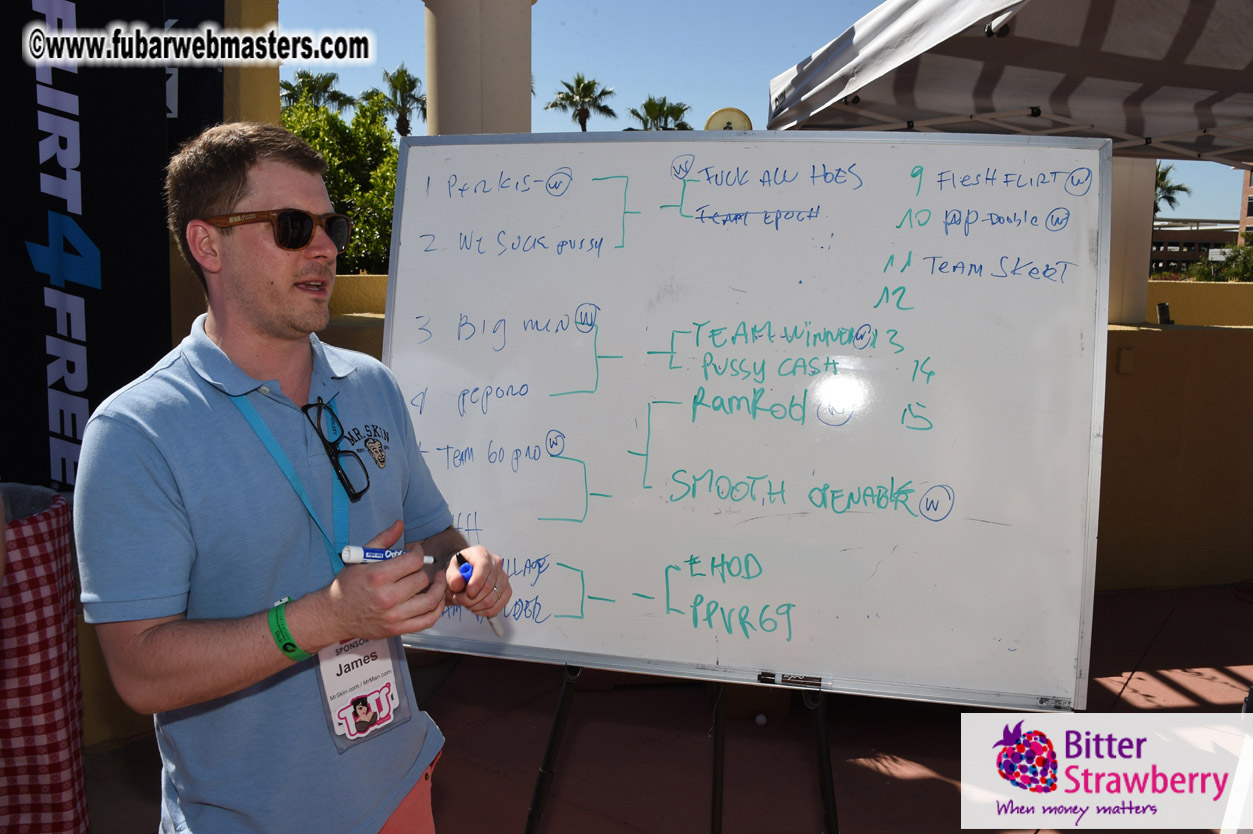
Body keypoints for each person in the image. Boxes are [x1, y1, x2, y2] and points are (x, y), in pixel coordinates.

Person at [73, 121, 512, 834]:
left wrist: (464, 566)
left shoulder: (370, 386)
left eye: (330, 225)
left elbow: (435, 538)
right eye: (290, 226)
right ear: (206, 243)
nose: (327, 247)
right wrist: (327, 618)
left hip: (399, 786)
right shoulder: (136, 434)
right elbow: (142, 673)